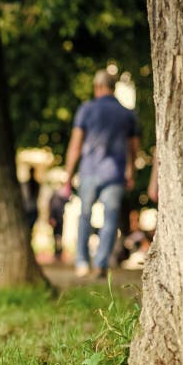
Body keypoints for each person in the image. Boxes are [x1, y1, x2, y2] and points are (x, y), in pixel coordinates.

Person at [63, 70, 140, 278]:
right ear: (113, 87)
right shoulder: (127, 113)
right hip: (114, 173)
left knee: (85, 215)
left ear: (97, 87)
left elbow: (76, 144)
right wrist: (130, 172)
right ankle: (101, 262)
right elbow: (133, 148)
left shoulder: (87, 109)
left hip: (89, 171)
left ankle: (81, 261)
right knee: (110, 219)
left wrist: (68, 175)